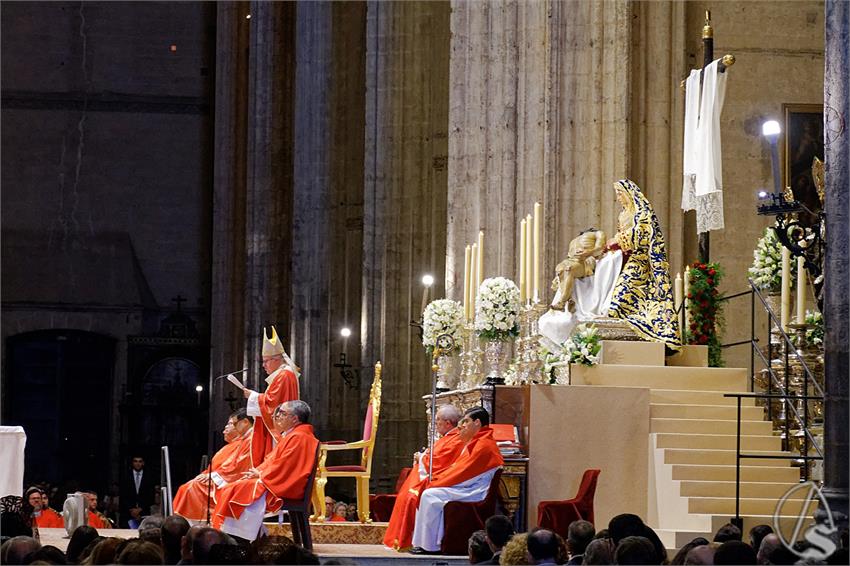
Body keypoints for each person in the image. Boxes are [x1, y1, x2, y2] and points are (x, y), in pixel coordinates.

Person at [388, 407, 503, 554]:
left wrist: (437, 482)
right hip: (468, 486)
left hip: (475, 491)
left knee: (430, 496)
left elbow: (463, 474)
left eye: (466, 421)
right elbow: (461, 469)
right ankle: (427, 544)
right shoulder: (478, 441)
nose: (462, 426)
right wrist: (439, 480)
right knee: (430, 493)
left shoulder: (484, 445)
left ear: (477, 422)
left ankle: (430, 547)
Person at [213, 400, 319, 542]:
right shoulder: (293, 435)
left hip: (285, 486)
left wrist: (261, 474)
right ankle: (250, 537)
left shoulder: (299, 437)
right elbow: (273, 460)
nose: (277, 416)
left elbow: (286, 466)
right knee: (235, 487)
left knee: (237, 490)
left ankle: (240, 539)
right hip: (276, 480)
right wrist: (257, 471)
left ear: (295, 418)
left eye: (282, 413)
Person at [606, 179, 681, 348]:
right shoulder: (623, 214)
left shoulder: (641, 212)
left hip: (640, 263)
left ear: (629, 193)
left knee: (620, 295)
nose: (618, 197)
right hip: (624, 260)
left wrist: (619, 240)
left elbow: (643, 233)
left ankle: (642, 330)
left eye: (620, 193)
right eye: (616, 193)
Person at [173, 410, 254, 521]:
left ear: (245, 422)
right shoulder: (241, 441)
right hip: (223, 478)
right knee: (187, 487)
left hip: (233, 480)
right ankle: (187, 522)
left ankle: (195, 523)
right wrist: (207, 474)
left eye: (233, 423)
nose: (226, 428)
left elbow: (238, 467)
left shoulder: (250, 440)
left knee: (190, 488)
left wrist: (212, 476)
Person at [242, 326, 301, 467]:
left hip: (282, 426)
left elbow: (273, 403)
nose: (263, 365)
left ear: (277, 359)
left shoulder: (284, 375)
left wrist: (253, 396)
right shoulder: (283, 374)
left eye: (266, 361)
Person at [120, 455, 155, 528]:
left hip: (144, 512)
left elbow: (151, 495)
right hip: (128, 512)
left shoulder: (149, 476)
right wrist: (131, 510)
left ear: (143, 463)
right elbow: (123, 495)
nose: (138, 463)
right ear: (132, 463)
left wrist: (140, 509)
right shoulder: (125, 476)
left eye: (140, 461)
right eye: (135, 461)